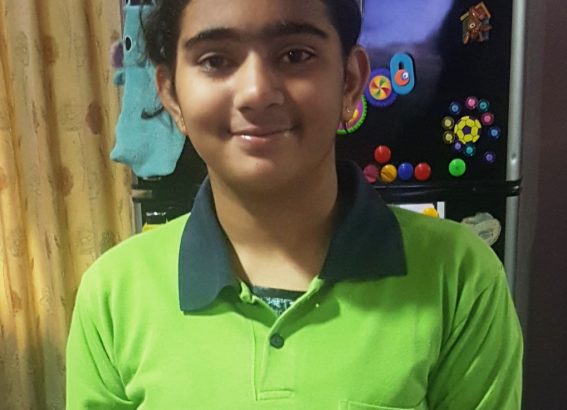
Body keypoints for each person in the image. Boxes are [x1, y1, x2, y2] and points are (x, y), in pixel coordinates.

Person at [66, 0, 523, 408]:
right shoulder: (113, 295)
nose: (256, 92)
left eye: (295, 55)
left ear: (349, 81)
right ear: (171, 95)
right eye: (215, 60)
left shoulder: (459, 277)